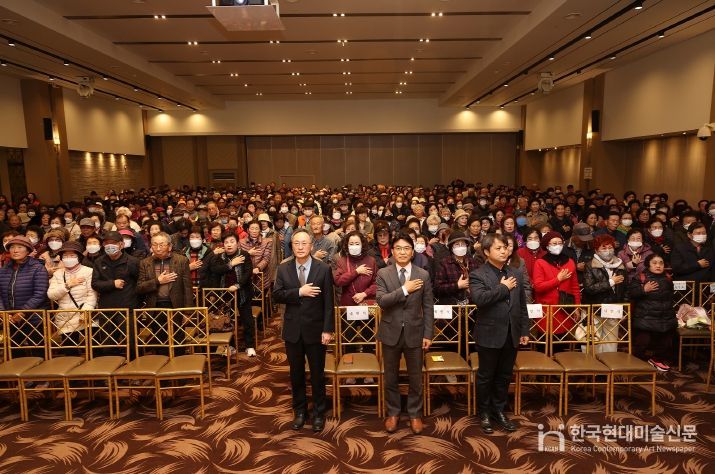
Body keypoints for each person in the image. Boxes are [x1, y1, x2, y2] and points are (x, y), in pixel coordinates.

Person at [272, 229, 334, 433]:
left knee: (317, 374)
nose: (300, 247)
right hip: (293, 330)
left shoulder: (323, 268)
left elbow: (329, 302)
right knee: (296, 373)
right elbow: (277, 295)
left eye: (304, 243)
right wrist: (299, 292)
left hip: (316, 329)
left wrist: (328, 329)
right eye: (296, 243)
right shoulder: (283, 268)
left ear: (311, 246)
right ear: (291, 246)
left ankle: (319, 412)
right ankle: (299, 411)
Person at [470, 234, 529, 434]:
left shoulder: (515, 273)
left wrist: (524, 329)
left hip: (512, 332)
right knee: (486, 375)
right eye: (498, 248)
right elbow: (480, 299)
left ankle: (499, 410)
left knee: (504, 375)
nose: (504, 251)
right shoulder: (478, 274)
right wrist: (503, 288)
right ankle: (484, 413)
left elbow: (521, 304)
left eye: (505, 247)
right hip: (489, 333)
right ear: (487, 252)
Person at [376, 233, 434, 435]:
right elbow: (382, 301)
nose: (402, 252)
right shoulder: (383, 273)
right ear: (392, 251)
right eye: (398, 248)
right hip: (390, 331)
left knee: (415, 377)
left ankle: (415, 414)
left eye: (406, 248)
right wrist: (405, 290)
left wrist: (428, 334)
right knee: (390, 376)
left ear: (412, 252)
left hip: (415, 332)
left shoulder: (422, 274)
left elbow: (428, 307)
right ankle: (393, 413)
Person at [627, 254, 676, 372]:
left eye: (661, 263)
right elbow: (631, 294)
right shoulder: (641, 277)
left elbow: (670, 297)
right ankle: (636, 365)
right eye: (654, 263)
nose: (658, 265)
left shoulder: (668, 278)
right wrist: (643, 290)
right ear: (648, 265)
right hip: (645, 318)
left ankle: (656, 360)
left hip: (665, 317)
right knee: (642, 343)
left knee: (664, 344)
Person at [47, 240, 97, 344]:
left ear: (79, 257)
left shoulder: (89, 271)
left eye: (72, 255)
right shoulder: (58, 274)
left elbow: (92, 294)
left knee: (91, 347)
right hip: (65, 318)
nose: (68, 258)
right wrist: (67, 285)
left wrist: (86, 311)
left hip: (85, 317)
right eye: (65, 256)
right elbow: (51, 295)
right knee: (70, 349)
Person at [532, 231, 581, 337]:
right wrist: (558, 279)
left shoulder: (570, 262)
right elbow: (538, 287)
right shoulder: (540, 263)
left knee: (563, 342)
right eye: (554, 243)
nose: (557, 246)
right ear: (547, 246)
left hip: (565, 309)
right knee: (545, 342)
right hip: (547, 311)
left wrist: (577, 307)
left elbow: (575, 287)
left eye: (560, 243)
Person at [219, 232, 255, 356]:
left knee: (247, 320)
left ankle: (249, 345)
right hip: (225, 294)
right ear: (223, 244)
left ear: (237, 243)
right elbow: (216, 270)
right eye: (226, 242)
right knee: (227, 321)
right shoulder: (220, 257)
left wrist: (238, 285)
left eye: (232, 242)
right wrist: (231, 264)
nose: (229, 245)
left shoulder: (244, 254)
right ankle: (230, 346)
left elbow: (248, 273)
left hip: (243, 292)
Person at [332, 231, 377, 306]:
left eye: (357, 244)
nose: (354, 246)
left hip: (367, 303)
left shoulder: (371, 261)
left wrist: (364, 294)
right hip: (348, 304)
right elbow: (338, 281)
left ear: (362, 245)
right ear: (347, 245)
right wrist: (356, 272)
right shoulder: (342, 261)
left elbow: (377, 283)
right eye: (351, 244)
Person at [434, 231, 478, 305]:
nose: (461, 247)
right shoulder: (444, 264)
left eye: (463, 244)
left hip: (472, 306)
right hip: (451, 306)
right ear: (451, 248)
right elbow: (437, 288)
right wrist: (457, 285)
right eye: (457, 244)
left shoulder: (473, 262)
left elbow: (479, 283)